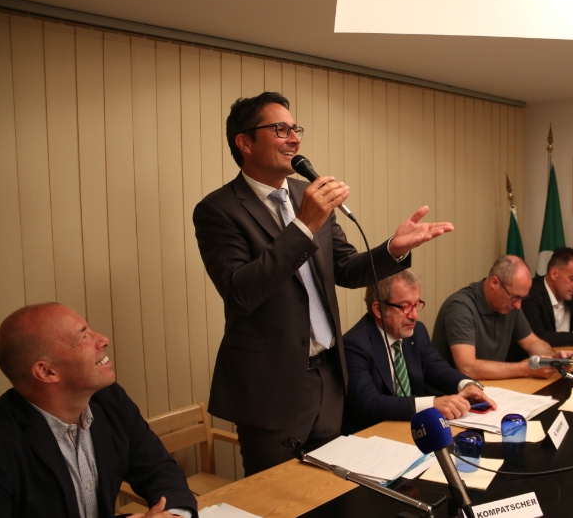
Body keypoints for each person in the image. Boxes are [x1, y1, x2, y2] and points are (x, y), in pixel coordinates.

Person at [193, 91, 453, 475]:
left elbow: (346, 268)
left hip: (328, 377)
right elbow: (240, 292)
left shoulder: (306, 195)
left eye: (295, 129)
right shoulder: (219, 210)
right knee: (275, 493)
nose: (294, 139)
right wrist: (303, 226)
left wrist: (392, 250)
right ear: (244, 142)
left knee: (329, 488)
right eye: (280, 129)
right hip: (271, 386)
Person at [0, 303, 197, 518]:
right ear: (46, 371)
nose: (103, 339)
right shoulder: (5, 441)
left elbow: (158, 469)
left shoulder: (109, 399)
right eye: (83, 336)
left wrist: (173, 515)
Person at [341, 270, 496, 435]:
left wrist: (466, 384)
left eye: (416, 305)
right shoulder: (354, 345)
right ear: (378, 309)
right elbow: (369, 404)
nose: (414, 315)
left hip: (414, 429)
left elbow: (437, 369)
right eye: (406, 307)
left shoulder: (417, 332)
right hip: (371, 435)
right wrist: (431, 404)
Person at [432, 255, 573, 380]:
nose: (519, 305)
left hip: (490, 387)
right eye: (515, 297)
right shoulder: (460, 307)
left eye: (523, 298)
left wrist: (553, 358)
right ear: (495, 283)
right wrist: (526, 369)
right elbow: (468, 368)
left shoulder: (511, 306)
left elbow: (532, 343)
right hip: (451, 395)